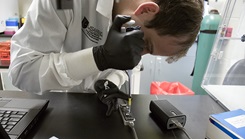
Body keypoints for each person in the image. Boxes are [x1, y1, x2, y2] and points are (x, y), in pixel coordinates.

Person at [9, 0, 203, 115]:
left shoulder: (138, 24)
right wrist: (98, 58)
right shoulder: (67, 1)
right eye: (146, 45)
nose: (138, 56)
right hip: (56, 108)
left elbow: (130, 63)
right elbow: (22, 70)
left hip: (95, 112)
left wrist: (112, 80)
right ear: (146, 10)